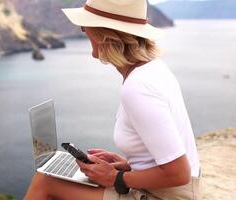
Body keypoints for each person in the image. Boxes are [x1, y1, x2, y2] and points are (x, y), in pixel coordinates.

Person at [24, 0, 201, 199]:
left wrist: (115, 177)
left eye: (85, 27)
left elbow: (179, 173)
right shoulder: (153, 69)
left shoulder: (138, 88)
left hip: (165, 196)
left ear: (104, 35)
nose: (83, 31)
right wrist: (129, 165)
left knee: (45, 183)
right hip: (167, 191)